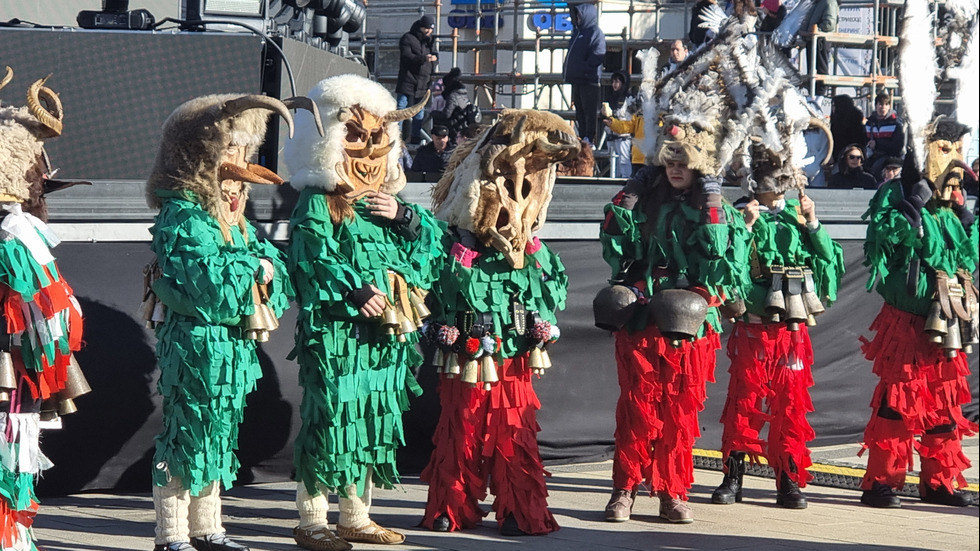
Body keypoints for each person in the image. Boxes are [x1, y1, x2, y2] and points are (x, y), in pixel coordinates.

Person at [284, 75, 445, 551]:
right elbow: (310, 257)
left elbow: (428, 257)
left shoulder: (388, 204)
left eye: (378, 137)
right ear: (330, 139)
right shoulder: (318, 201)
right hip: (337, 336)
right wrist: (353, 291)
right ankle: (312, 520)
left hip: (385, 340)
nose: (368, 149)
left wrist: (407, 219)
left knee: (372, 419)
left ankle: (355, 515)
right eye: (355, 135)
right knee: (330, 419)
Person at [145, 94, 302, 551]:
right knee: (185, 433)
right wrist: (253, 268)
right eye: (231, 149)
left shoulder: (232, 216)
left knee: (219, 433)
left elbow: (278, 269)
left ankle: (208, 529)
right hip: (194, 347)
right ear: (202, 153)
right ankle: (171, 536)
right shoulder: (183, 215)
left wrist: (259, 266)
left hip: (232, 348)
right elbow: (209, 288)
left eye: (245, 151)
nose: (240, 162)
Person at [420, 110, 579, 536]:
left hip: (514, 347)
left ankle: (516, 506)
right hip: (467, 347)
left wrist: (533, 257)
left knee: (514, 425)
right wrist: (467, 243)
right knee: (461, 424)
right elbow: (439, 287)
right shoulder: (451, 241)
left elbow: (552, 293)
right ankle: (451, 506)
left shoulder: (533, 247)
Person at [598, 111, 751, 524]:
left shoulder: (717, 210)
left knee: (679, 412)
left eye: (684, 162)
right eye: (670, 161)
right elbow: (614, 241)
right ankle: (624, 490)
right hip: (643, 320)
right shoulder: (646, 200)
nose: (676, 169)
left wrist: (713, 199)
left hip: (690, 324)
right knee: (636, 407)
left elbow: (719, 256)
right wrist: (630, 192)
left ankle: (672, 492)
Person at [713, 159, 844, 510]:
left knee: (790, 406)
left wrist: (813, 223)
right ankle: (733, 477)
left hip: (792, 331)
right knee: (744, 402)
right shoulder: (739, 217)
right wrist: (745, 228)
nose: (774, 182)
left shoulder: (798, 217)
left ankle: (788, 481)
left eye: (779, 174)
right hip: (754, 327)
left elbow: (830, 259)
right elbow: (728, 269)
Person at [860, 118, 978, 509]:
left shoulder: (953, 205)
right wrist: (912, 204)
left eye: (959, 151)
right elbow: (881, 245)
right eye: (946, 151)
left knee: (944, 405)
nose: (956, 163)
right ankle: (882, 482)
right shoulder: (895, 193)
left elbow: (970, 258)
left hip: (948, 318)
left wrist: (971, 220)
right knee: (897, 403)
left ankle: (938, 481)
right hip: (908, 320)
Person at [0, 70, 87, 551]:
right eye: (40, 181)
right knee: (8, 459)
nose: (44, 197)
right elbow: (50, 316)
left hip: (13, 370)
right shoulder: (16, 235)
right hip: (11, 373)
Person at [563, 3, 606, 146]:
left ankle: (589, 137)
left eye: (579, 15)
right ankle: (582, 136)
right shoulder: (577, 33)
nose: (577, 18)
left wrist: (585, 69)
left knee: (589, 111)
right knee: (580, 111)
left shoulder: (595, 32)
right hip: (577, 79)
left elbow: (598, 54)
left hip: (589, 80)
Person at [396, 15, 438, 144]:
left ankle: (415, 137)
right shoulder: (408, 38)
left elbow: (435, 54)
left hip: (423, 81)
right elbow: (406, 56)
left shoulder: (429, 41)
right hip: (408, 79)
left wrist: (434, 58)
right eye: (427, 28)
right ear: (421, 27)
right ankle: (396, 135)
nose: (429, 31)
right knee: (401, 108)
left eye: (431, 29)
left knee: (419, 111)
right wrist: (423, 58)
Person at [799, 0, 839, 96]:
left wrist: (815, 31)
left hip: (821, 41)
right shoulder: (816, 3)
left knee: (821, 71)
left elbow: (829, 23)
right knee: (811, 71)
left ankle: (819, 97)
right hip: (812, 40)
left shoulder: (829, 2)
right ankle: (813, 94)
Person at [864, 92, 906, 177]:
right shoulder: (869, 123)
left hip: (890, 157)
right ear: (876, 106)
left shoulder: (896, 124)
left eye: (886, 104)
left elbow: (897, 146)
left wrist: (877, 144)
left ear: (889, 106)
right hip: (872, 156)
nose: (883, 107)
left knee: (877, 168)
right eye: (880, 104)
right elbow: (863, 140)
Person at [432, 67, 476, 142]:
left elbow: (446, 115)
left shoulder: (453, 96)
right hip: (463, 125)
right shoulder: (463, 94)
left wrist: (433, 113)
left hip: (455, 128)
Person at [603, 71, 633, 178]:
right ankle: (614, 179)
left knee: (624, 160)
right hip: (611, 134)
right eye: (613, 82)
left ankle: (626, 179)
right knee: (613, 160)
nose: (615, 84)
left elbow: (629, 116)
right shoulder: (610, 97)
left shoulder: (629, 98)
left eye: (617, 82)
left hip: (623, 135)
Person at [829, 95, 867, 162]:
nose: (833, 109)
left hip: (851, 157)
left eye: (834, 106)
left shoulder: (854, 124)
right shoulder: (836, 122)